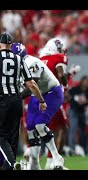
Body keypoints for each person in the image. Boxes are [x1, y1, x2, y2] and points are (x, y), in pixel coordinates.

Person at [11, 42, 65, 170]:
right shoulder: (18, 65)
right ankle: (34, 163)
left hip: (51, 92)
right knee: (30, 128)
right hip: (38, 95)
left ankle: (57, 157)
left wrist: (14, 98)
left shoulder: (31, 62)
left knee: (40, 125)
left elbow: (31, 86)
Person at [0, 33, 46, 170]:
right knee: (13, 137)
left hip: (2, 100)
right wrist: (41, 100)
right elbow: (31, 84)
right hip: (16, 100)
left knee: (1, 136)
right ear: (11, 45)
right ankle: (11, 166)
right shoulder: (19, 59)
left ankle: (12, 163)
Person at [38, 37, 70, 169]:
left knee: (46, 128)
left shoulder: (40, 59)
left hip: (40, 97)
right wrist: (65, 87)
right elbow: (61, 74)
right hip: (53, 96)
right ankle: (54, 162)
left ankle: (46, 161)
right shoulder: (58, 58)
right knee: (63, 127)